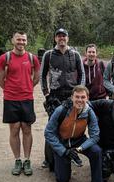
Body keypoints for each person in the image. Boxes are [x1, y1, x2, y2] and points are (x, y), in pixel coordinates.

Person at [44, 85, 103, 182]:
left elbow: (95, 136)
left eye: (83, 97)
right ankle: (56, 157)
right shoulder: (61, 110)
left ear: (87, 98)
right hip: (62, 142)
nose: (80, 100)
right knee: (62, 180)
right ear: (72, 97)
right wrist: (64, 151)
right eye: (77, 97)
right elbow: (48, 133)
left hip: (79, 140)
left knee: (96, 151)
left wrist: (80, 148)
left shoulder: (89, 112)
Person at [0, 31, 41, 176]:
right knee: (14, 129)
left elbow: (36, 78)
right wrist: (11, 90)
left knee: (27, 129)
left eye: (23, 40)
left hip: (27, 98)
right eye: (18, 39)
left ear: (26, 42)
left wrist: (26, 88)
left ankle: (27, 160)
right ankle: (17, 160)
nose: (21, 42)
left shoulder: (33, 58)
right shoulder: (4, 58)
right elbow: (0, 79)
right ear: (13, 40)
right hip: (10, 99)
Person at [40, 28, 85, 169]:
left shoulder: (75, 54)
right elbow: (42, 75)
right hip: (54, 96)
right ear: (55, 39)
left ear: (67, 38)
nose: (61, 38)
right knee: (52, 128)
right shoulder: (48, 55)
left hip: (71, 97)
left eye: (64, 36)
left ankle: (68, 154)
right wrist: (46, 94)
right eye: (59, 36)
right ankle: (48, 159)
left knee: (70, 126)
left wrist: (78, 94)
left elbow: (82, 74)